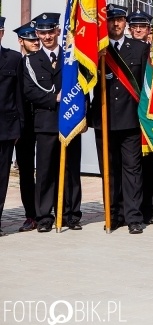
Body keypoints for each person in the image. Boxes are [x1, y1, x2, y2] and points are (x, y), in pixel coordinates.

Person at [90, 4, 150, 234]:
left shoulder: (138, 48)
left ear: (125, 22)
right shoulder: (96, 50)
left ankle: (133, 216)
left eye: (120, 20)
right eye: (111, 20)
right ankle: (112, 214)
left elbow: (146, 87)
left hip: (131, 119)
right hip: (103, 119)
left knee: (132, 170)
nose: (116, 24)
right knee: (109, 169)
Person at [21, 13, 83, 232]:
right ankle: (45, 216)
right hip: (46, 123)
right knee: (46, 171)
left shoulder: (72, 57)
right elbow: (29, 91)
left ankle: (71, 215)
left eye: (50, 32)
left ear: (58, 31)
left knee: (71, 170)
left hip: (72, 120)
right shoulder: (30, 60)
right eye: (42, 33)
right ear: (37, 34)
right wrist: (53, 98)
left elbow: (82, 84)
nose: (47, 37)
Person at [13, 22, 39, 232]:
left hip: (43, 122)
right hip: (23, 126)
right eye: (31, 40)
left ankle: (47, 209)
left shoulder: (45, 61)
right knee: (26, 172)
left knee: (47, 169)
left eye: (36, 39)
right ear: (22, 42)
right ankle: (31, 214)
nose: (35, 42)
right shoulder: (17, 64)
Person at [0, 16, 23, 237]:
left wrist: (19, 127)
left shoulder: (13, 59)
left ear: (2, 33)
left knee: (1, 178)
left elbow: (19, 97)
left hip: (5, 129)